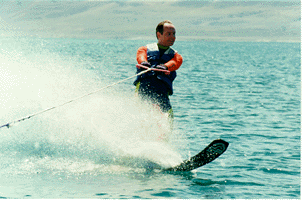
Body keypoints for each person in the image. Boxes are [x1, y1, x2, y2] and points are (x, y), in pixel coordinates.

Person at [133, 20, 183, 118]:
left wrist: (165, 66)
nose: (173, 37)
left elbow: (176, 62)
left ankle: (164, 131)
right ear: (159, 35)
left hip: (161, 90)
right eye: (168, 34)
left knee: (168, 115)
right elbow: (141, 55)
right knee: (141, 111)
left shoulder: (176, 56)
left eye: (174, 34)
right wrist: (143, 62)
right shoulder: (145, 49)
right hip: (144, 87)